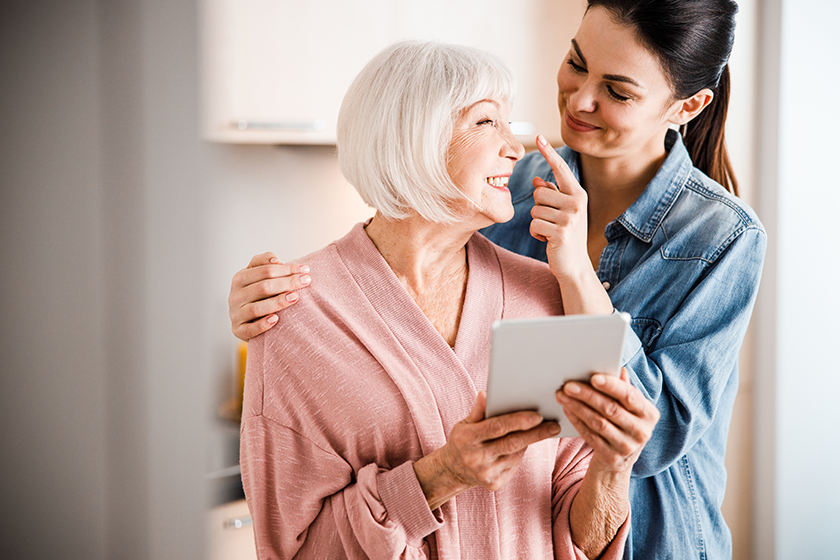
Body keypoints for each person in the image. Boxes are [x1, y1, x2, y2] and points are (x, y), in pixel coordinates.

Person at [230, 1, 766, 559]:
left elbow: (647, 443)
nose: (580, 100)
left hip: (659, 540)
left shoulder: (721, 237)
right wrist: (277, 304)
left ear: (688, 106)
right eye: (577, 63)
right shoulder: (511, 187)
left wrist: (575, 274)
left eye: (619, 91)